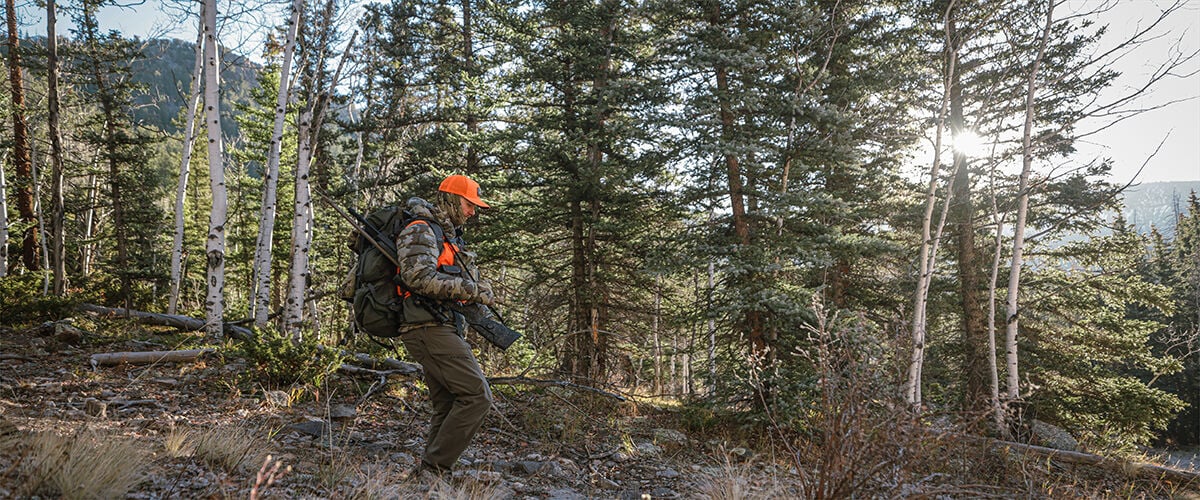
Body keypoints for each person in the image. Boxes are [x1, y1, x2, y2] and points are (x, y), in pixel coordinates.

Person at [394, 174, 497, 480]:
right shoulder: (421, 229)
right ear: (452, 199)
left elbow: (448, 277)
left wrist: (477, 290)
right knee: (478, 397)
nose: (472, 212)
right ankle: (435, 469)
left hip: (441, 325)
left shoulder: (449, 235)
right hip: (426, 326)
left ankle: (428, 476)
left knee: (449, 402)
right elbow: (417, 278)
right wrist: (469, 289)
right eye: (469, 204)